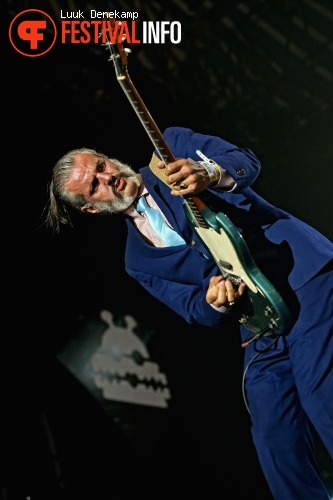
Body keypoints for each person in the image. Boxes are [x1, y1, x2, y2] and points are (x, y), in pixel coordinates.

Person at [47, 126, 333, 499]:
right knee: (273, 436)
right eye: (95, 185)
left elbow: (246, 161)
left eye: (101, 165)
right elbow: (194, 310)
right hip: (260, 321)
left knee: (319, 397)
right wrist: (215, 301)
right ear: (91, 207)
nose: (109, 177)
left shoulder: (169, 149)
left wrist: (210, 173)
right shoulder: (137, 262)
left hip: (299, 276)